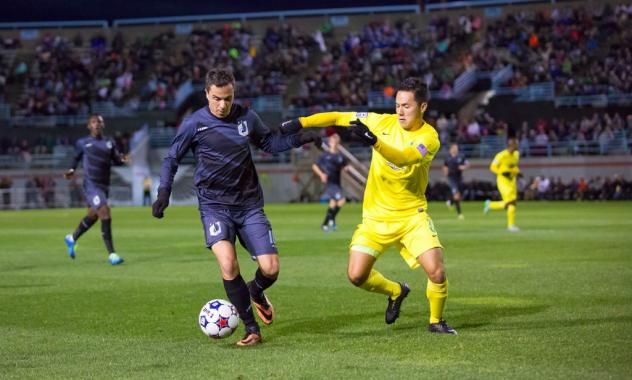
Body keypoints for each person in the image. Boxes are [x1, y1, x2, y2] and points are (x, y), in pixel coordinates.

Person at [152, 68, 321, 346]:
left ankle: (255, 291)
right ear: (207, 94)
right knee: (228, 264)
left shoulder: (246, 117)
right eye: (217, 98)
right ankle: (252, 329)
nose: (222, 104)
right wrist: (163, 192)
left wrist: (300, 138)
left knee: (271, 268)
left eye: (228, 98)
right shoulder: (195, 123)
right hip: (215, 207)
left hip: (249, 205)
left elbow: (268, 142)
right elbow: (171, 158)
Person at [281, 77, 457, 334]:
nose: (399, 110)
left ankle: (436, 321)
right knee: (356, 276)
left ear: (423, 107)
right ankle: (396, 291)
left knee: (437, 271)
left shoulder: (429, 138)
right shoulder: (381, 121)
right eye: (397, 104)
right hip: (375, 218)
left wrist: (375, 142)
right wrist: (301, 122)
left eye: (406, 106)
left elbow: (405, 158)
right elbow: (339, 117)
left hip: (411, 217)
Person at [63, 114, 128, 265]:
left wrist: (123, 159)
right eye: (93, 122)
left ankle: (71, 238)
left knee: (93, 216)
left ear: (102, 125)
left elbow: (116, 159)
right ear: (89, 126)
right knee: (104, 211)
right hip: (91, 184)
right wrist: (71, 169)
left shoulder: (109, 142)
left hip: (104, 185)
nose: (96, 124)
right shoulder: (83, 143)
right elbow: (76, 158)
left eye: (99, 122)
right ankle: (112, 254)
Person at [312, 133, 350, 232]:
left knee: (333, 203)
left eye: (335, 142)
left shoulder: (340, 156)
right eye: (332, 141)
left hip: (337, 182)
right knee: (342, 200)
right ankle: (331, 220)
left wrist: (346, 168)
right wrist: (321, 174)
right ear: (329, 143)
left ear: (338, 143)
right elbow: (315, 166)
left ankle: (325, 223)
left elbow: (345, 166)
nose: (333, 143)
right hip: (329, 183)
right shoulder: (325, 155)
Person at [484, 138, 520, 232]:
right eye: (515, 146)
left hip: (512, 182)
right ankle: (510, 225)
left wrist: (516, 171)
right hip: (503, 182)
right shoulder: (501, 155)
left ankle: (491, 205)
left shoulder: (516, 154)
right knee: (511, 202)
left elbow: (514, 166)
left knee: (512, 203)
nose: (516, 148)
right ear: (510, 146)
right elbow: (492, 167)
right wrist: (502, 172)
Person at [443, 143, 469, 219]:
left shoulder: (461, 156)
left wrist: (464, 167)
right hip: (451, 178)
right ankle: (459, 214)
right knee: (456, 196)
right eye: (454, 148)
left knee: (458, 195)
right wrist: (445, 173)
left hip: (459, 178)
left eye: (456, 148)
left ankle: (450, 202)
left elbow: (467, 164)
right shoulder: (448, 158)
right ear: (451, 149)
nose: (456, 149)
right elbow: (445, 166)